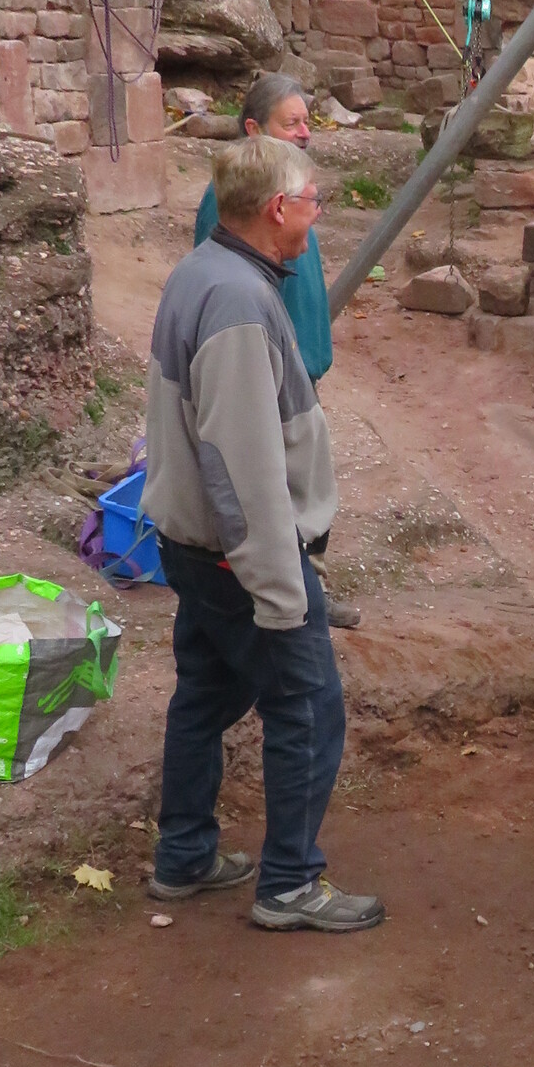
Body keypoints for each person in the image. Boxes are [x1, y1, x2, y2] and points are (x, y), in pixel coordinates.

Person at [144, 131, 385, 933]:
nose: (318, 215)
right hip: (235, 558)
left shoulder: (202, 271)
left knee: (206, 696)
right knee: (308, 707)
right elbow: (241, 465)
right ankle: (289, 884)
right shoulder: (241, 304)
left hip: (193, 545)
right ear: (279, 208)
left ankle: (183, 857)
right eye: (314, 202)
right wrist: (282, 590)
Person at [193, 73, 358, 631]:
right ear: (253, 129)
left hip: (301, 370)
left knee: (307, 477)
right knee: (277, 487)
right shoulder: (230, 204)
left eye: (307, 120)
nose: (306, 132)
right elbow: (226, 296)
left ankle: (309, 586)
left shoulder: (292, 190)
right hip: (269, 371)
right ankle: (288, 597)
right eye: (292, 123)